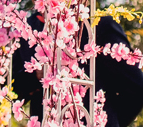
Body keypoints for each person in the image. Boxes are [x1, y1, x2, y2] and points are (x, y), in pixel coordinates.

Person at [12, 11, 143, 127]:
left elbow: (136, 88)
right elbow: (12, 90)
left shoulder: (98, 25)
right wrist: (35, 76)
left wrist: (107, 119)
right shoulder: (26, 29)